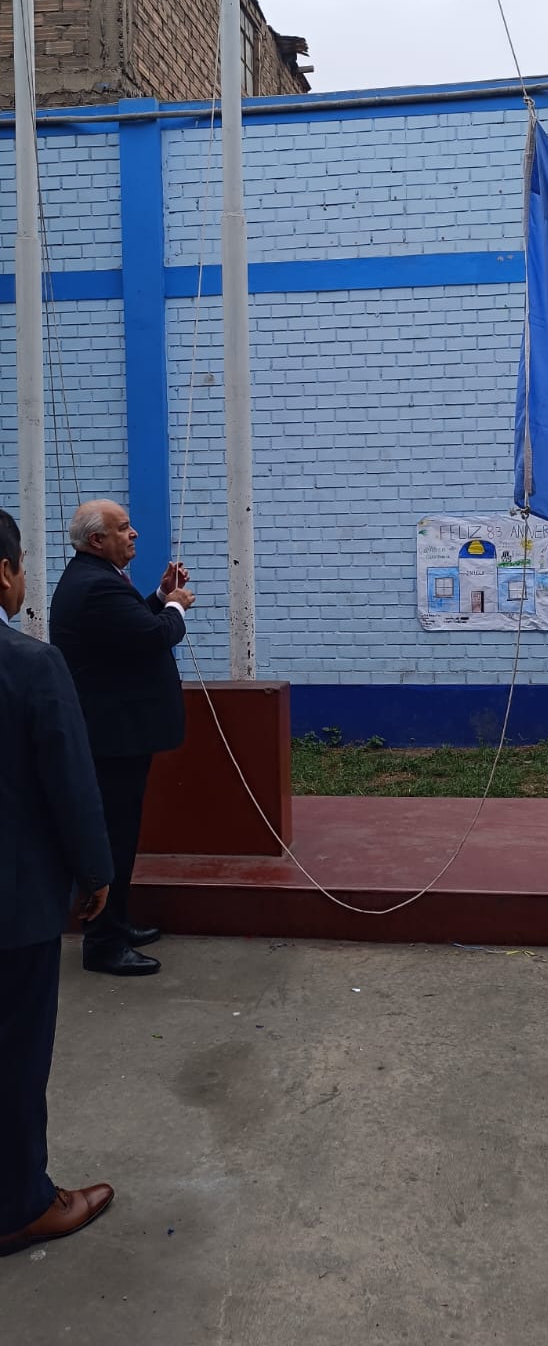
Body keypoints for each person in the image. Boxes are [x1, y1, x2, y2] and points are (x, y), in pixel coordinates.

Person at [0, 508, 115, 1255]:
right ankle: (20, 1205)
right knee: (14, 1052)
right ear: (3, 572)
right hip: (15, 905)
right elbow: (70, 782)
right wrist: (94, 870)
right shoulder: (30, 666)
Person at [49, 500, 195, 978]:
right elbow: (154, 635)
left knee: (122, 833)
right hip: (112, 736)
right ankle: (104, 943)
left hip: (116, 734)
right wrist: (175, 605)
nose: (134, 534)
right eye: (124, 528)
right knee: (113, 836)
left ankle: (116, 923)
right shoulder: (97, 586)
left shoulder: (97, 579)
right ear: (97, 540)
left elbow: (130, 629)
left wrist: (159, 595)